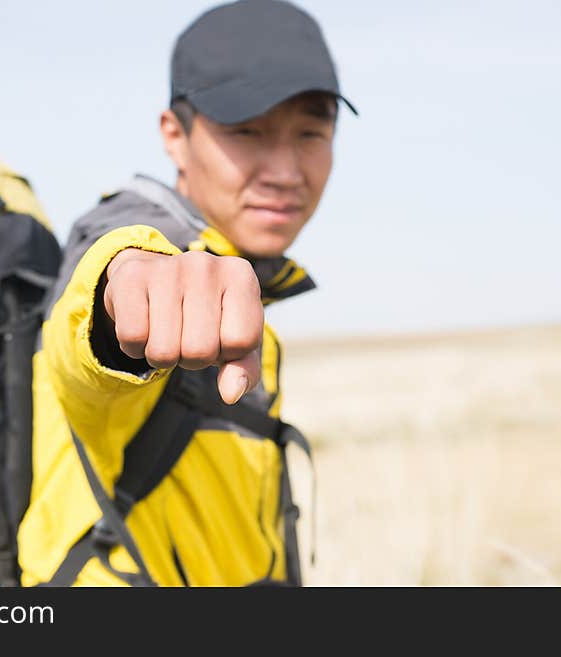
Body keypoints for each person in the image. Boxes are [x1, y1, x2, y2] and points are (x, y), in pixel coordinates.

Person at [17, 0, 356, 587]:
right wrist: (124, 293)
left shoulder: (240, 273)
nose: (284, 169)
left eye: (310, 133)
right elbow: (92, 326)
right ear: (174, 136)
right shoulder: (154, 247)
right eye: (246, 131)